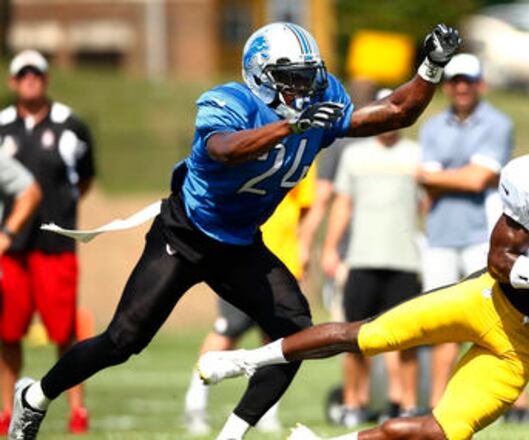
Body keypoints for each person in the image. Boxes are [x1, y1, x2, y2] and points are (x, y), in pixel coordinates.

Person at [7, 22, 461, 440]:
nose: (306, 87)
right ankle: (35, 397)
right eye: (294, 78)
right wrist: (289, 126)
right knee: (122, 341)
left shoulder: (316, 103)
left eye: (309, 76)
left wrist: (431, 66)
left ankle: (232, 434)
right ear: (261, 76)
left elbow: (396, 112)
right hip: (185, 234)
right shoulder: (230, 102)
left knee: (295, 333)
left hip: (240, 242)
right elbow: (224, 149)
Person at [197, 95, 529, 440]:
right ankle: (246, 360)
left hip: (526, 346)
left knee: (441, 432)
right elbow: (498, 262)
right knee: (369, 335)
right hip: (486, 299)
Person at [0, 49, 95, 435]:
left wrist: (63, 213)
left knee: (64, 331)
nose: (30, 80)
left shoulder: (70, 125)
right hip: (12, 248)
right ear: (13, 82)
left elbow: (84, 180)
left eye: (36, 74)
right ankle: (6, 409)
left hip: (55, 245)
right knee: (7, 331)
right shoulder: (2, 126)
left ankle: (77, 408)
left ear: (46, 79)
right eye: (23, 74)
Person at [183, 166, 317, 435]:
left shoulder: (304, 151)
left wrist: (303, 245)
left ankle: (267, 410)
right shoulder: (249, 146)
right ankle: (195, 401)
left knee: (277, 341)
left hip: (283, 260)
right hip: (244, 256)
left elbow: (307, 205)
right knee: (228, 330)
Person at [416, 53, 514, 408]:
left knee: (492, 320)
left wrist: (439, 177)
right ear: (446, 86)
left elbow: (477, 180)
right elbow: (429, 180)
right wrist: (460, 176)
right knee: (442, 323)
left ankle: (507, 402)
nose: (461, 88)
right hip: (440, 236)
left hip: (483, 236)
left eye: (468, 81)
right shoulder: (431, 127)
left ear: (480, 85)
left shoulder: (498, 123)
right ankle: (437, 404)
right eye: (455, 81)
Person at [321, 88, 423, 426]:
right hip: (361, 259)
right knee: (355, 339)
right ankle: (354, 404)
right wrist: (330, 248)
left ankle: (407, 405)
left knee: (407, 340)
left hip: (405, 262)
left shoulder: (417, 155)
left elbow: (427, 204)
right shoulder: (354, 154)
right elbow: (342, 204)